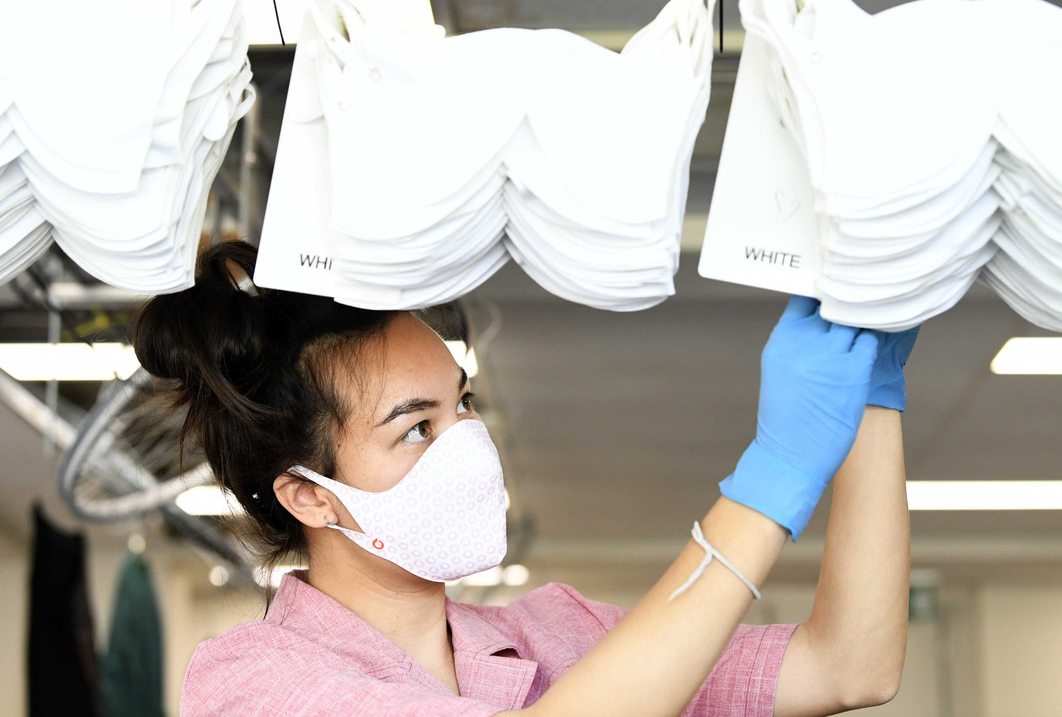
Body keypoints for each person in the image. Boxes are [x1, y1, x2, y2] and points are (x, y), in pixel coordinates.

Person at [135, 241, 916, 717]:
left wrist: (869, 398)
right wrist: (772, 475)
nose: (469, 445)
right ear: (310, 495)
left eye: (462, 404)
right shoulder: (252, 682)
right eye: (416, 428)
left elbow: (849, 666)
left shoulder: (556, 634)